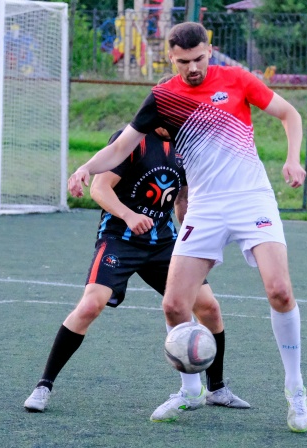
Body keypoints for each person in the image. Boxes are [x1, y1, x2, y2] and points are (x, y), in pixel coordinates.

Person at [67, 22, 307, 433]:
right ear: (170, 58)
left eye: (199, 58)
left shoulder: (237, 79)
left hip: (251, 198)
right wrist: (85, 168)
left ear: (209, 50)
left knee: (280, 291)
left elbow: (289, 114)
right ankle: (191, 391)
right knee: (174, 305)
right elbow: (122, 146)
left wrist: (293, 158)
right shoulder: (162, 97)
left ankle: (295, 389)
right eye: (183, 61)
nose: (193, 67)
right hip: (205, 206)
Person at [24, 123, 250, 421]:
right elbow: (100, 188)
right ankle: (44, 385)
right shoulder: (133, 140)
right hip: (120, 239)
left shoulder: (185, 145)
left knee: (209, 307)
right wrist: (129, 215)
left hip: (163, 243)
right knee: (91, 304)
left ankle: (216, 389)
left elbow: (181, 198)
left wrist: (192, 235)